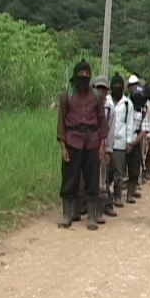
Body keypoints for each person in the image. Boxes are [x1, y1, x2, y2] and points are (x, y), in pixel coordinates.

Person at [56, 61, 108, 230]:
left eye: (87, 76)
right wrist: (63, 146)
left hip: (92, 141)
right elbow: (61, 122)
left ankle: (92, 216)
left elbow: (102, 121)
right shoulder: (66, 96)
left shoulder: (96, 96)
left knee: (92, 180)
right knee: (70, 178)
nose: (84, 79)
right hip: (72, 140)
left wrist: (102, 145)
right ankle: (67, 214)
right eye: (81, 76)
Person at [107, 73, 135, 209]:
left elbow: (129, 124)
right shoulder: (106, 101)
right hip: (107, 141)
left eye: (119, 85)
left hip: (120, 141)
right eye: (115, 85)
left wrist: (129, 141)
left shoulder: (127, 104)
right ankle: (106, 197)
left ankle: (118, 196)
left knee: (119, 172)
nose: (117, 87)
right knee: (106, 171)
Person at [94, 75, 116, 223]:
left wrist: (108, 149)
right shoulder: (87, 103)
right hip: (88, 146)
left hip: (102, 147)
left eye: (103, 89)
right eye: (98, 88)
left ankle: (99, 212)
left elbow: (110, 129)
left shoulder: (109, 107)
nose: (101, 92)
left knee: (102, 181)